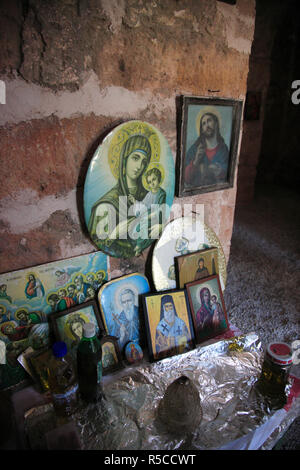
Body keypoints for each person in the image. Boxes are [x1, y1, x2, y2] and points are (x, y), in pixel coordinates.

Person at [88, 134, 160, 258]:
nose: (139, 166)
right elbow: (100, 242)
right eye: (135, 158)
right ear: (125, 159)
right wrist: (114, 234)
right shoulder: (107, 203)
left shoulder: (149, 195)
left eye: (144, 162)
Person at [185, 111, 229, 187]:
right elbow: (185, 178)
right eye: (203, 123)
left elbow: (228, 174)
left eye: (209, 121)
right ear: (202, 129)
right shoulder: (194, 149)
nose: (207, 125)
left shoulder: (223, 149)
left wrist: (220, 171)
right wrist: (196, 161)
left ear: (216, 124)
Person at [155, 294, 191, 359]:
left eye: (170, 306)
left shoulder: (181, 322)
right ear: (163, 308)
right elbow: (159, 346)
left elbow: (188, 338)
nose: (169, 309)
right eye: (167, 306)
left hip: (182, 353)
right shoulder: (160, 327)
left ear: (173, 307)